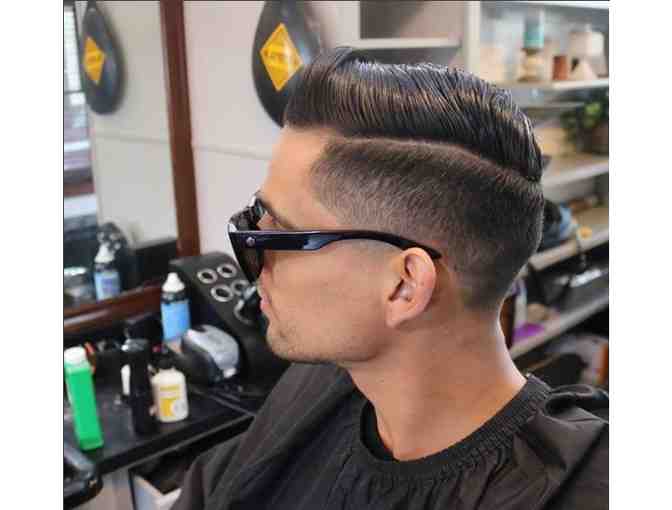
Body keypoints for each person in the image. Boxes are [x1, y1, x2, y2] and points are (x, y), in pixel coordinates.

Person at [172, 47, 608, 510]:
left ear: (405, 286)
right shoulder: (320, 383)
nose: (255, 263)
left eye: (279, 233)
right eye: (256, 218)